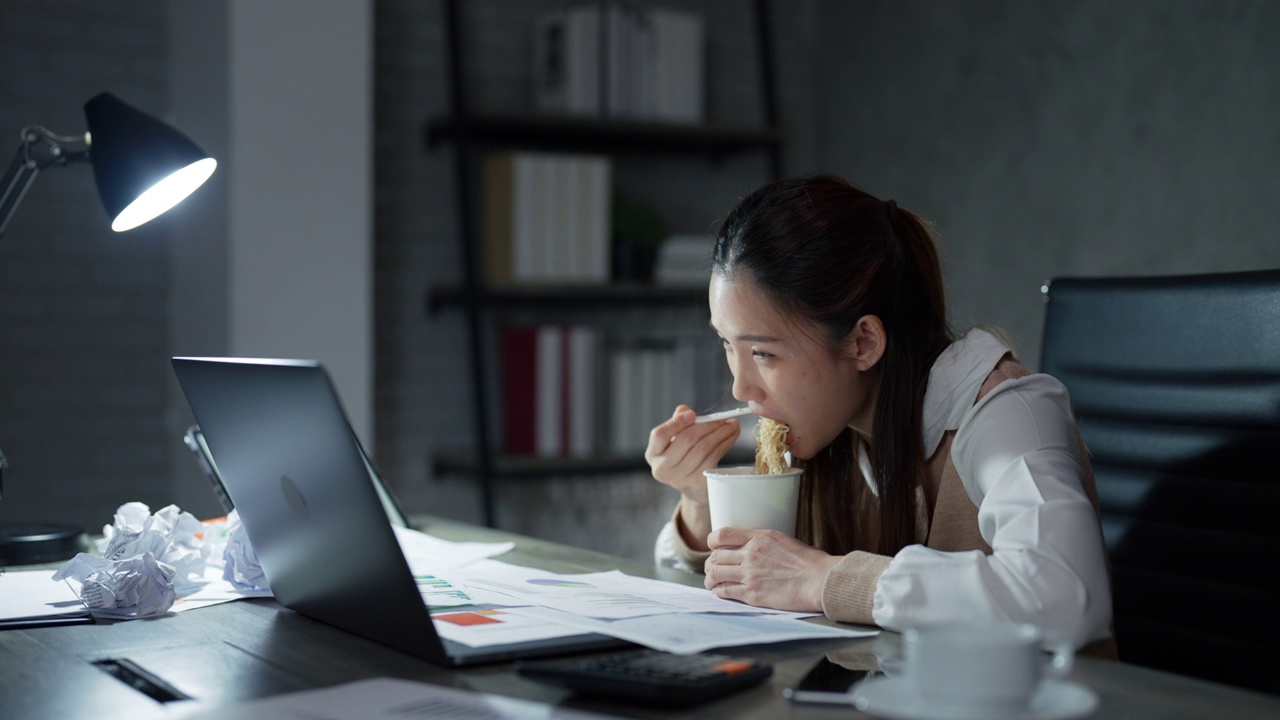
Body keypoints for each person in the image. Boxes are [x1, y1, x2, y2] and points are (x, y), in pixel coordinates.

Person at [646, 174, 1115, 656]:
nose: (740, 387)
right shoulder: (833, 429)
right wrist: (700, 504)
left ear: (863, 343)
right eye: (728, 344)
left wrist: (824, 577)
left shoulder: (1007, 414)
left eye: (763, 354)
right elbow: (712, 589)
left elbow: (1066, 599)